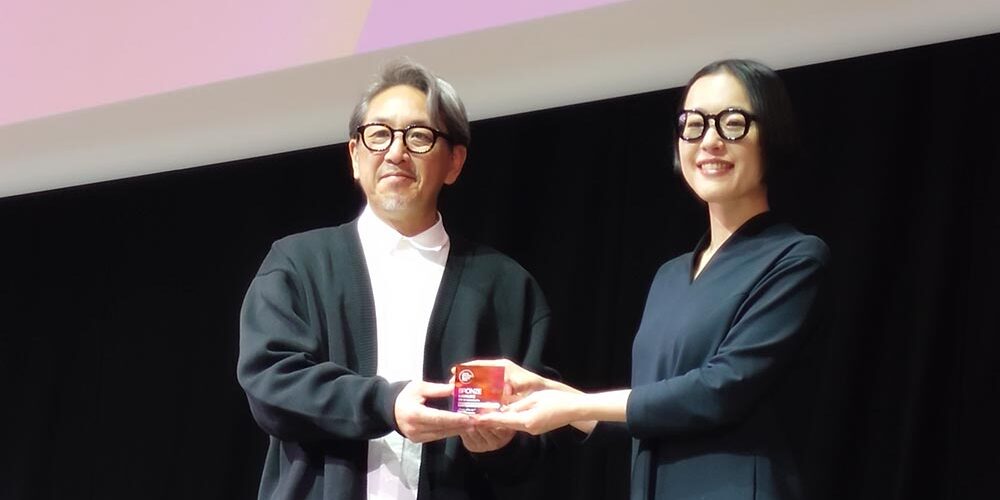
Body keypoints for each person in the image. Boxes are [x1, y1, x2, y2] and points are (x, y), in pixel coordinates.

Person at [477, 59, 831, 500]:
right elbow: (649, 411)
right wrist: (548, 392)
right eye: (694, 125)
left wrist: (574, 404)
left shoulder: (795, 257)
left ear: (771, 134)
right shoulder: (670, 275)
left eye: (732, 123)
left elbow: (721, 389)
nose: (710, 141)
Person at [237, 59, 554, 500]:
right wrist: (386, 405)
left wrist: (501, 446)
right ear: (355, 155)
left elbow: (541, 440)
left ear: (454, 162)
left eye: (419, 136)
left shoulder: (507, 288)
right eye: (379, 134)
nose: (396, 152)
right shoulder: (298, 263)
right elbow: (270, 383)